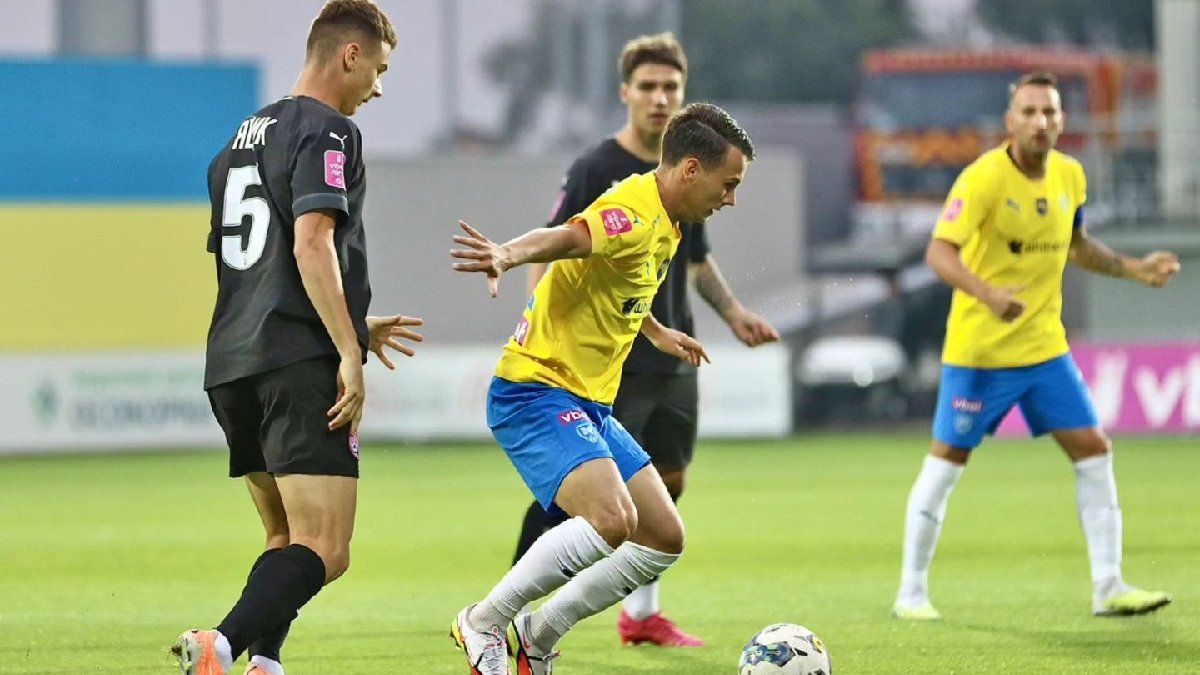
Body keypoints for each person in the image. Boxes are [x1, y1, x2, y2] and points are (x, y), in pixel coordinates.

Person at [449, 102, 755, 675]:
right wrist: (507, 254)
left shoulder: (669, 222)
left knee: (663, 537)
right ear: (691, 169)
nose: (730, 198)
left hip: (587, 402)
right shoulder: (632, 211)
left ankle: (538, 635)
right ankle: (484, 620)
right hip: (534, 390)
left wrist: (657, 331)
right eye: (729, 183)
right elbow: (569, 237)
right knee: (613, 520)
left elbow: (618, 282)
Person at [171, 3, 423, 674]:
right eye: (379, 69)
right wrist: (348, 349)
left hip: (232, 362)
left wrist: (354, 322)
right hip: (296, 364)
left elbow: (254, 268)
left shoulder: (236, 142)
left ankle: (265, 663)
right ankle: (219, 645)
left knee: (285, 535)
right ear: (349, 54)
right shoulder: (329, 130)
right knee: (327, 547)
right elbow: (312, 243)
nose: (378, 87)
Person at [510, 33, 778, 649]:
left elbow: (695, 262)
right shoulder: (598, 169)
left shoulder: (699, 175)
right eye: (649, 87)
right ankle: (512, 606)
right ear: (626, 93)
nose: (660, 98)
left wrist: (733, 314)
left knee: (667, 482)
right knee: (576, 496)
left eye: (671, 88)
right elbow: (557, 243)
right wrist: (535, 325)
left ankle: (640, 614)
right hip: (609, 361)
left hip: (670, 351)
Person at [892, 72, 1179, 622]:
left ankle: (1108, 585)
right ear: (1010, 121)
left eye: (1049, 111)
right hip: (980, 353)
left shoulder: (1071, 175)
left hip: (1045, 349)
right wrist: (988, 294)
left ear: (1062, 120)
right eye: (1028, 112)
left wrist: (1135, 269)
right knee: (947, 462)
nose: (1040, 121)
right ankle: (911, 593)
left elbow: (1077, 245)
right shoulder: (983, 178)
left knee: (1093, 449)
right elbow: (939, 253)